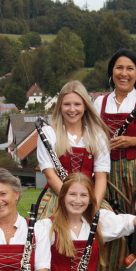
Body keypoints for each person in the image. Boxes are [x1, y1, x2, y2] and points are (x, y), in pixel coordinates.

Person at [93, 49, 136, 210]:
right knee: (108, 214)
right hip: (105, 170)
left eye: (130, 68)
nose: (124, 73)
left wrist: (131, 141)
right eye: (119, 68)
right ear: (112, 72)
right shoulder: (100, 102)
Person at [36, 80, 111, 218]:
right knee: (50, 228)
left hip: (89, 198)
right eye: (66, 104)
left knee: (108, 225)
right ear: (59, 106)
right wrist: (71, 201)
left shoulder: (97, 136)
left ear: (85, 106)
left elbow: (101, 178)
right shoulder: (49, 133)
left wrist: (92, 207)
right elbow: (50, 176)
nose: (72, 109)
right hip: (58, 195)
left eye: (77, 104)